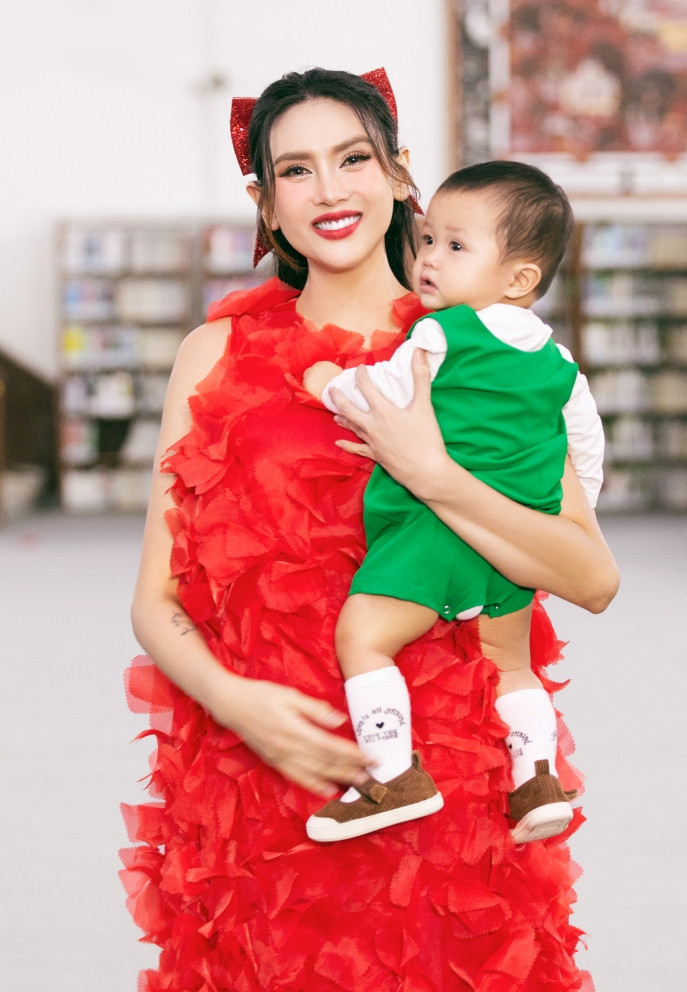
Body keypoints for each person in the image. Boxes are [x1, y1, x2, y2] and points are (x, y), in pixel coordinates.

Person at [123, 67, 619, 992]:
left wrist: (431, 473)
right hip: (258, 765)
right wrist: (236, 703)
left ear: (398, 175)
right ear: (266, 203)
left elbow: (589, 577)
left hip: (445, 779)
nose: (329, 190)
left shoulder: (489, 347)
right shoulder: (214, 352)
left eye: (352, 158)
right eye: (295, 170)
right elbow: (156, 597)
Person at [302, 161, 604, 845]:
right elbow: (585, 450)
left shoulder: (442, 334)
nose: (431, 259)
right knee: (512, 665)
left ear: (519, 278)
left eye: (456, 246)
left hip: (434, 533)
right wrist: (561, 511)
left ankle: (391, 774)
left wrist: (324, 382)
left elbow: (380, 396)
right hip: (510, 548)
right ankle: (536, 782)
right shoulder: (560, 365)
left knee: (364, 635)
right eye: (429, 240)